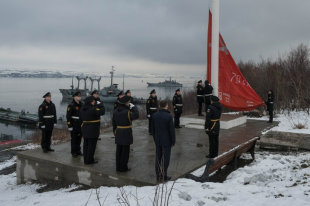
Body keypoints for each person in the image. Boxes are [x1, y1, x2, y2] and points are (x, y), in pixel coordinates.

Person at [112, 96, 139, 172]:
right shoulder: (127, 112)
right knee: (125, 152)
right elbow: (136, 115)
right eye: (128, 102)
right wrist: (134, 107)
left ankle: (118, 167)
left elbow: (113, 123)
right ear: (126, 103)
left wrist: (114, 131)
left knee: (119, 151)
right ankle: (123, 168)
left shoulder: (115, 111)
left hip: (118, 131)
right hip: (126, 131)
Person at [152, 100, 175, 181]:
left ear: (159, 105)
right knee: (166, 159)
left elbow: (152, 130)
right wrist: (173, 141)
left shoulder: (154, 115)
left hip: (158, 140)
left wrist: (155, 139)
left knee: (158, 158)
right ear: (166, 106)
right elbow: (171, 131)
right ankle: (164, 175)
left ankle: (158, 175)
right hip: (166, 141)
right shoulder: (169, 116)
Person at [80, 96, 105, 164]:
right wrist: (101, 104)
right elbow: (102, 112)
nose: (94, 102)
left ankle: (86, 159)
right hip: (93, 129)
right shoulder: (93, 109)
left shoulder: (82, 108)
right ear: (90, 102)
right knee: (92, 146)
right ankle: (90, 160)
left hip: (85, 128)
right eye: (93, 101)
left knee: (86, 145)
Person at [66, 91, 83, 157]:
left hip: (80, 124)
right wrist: (69, 125)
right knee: (74, 139)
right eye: (78, 96)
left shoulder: (82, 104)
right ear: (74, 97)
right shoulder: (71, 105)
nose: (79, 97)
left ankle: (78, 150)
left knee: (79, 138)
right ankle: (73, 152)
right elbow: (68, 116)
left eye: (80, 96)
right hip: (74, 124)